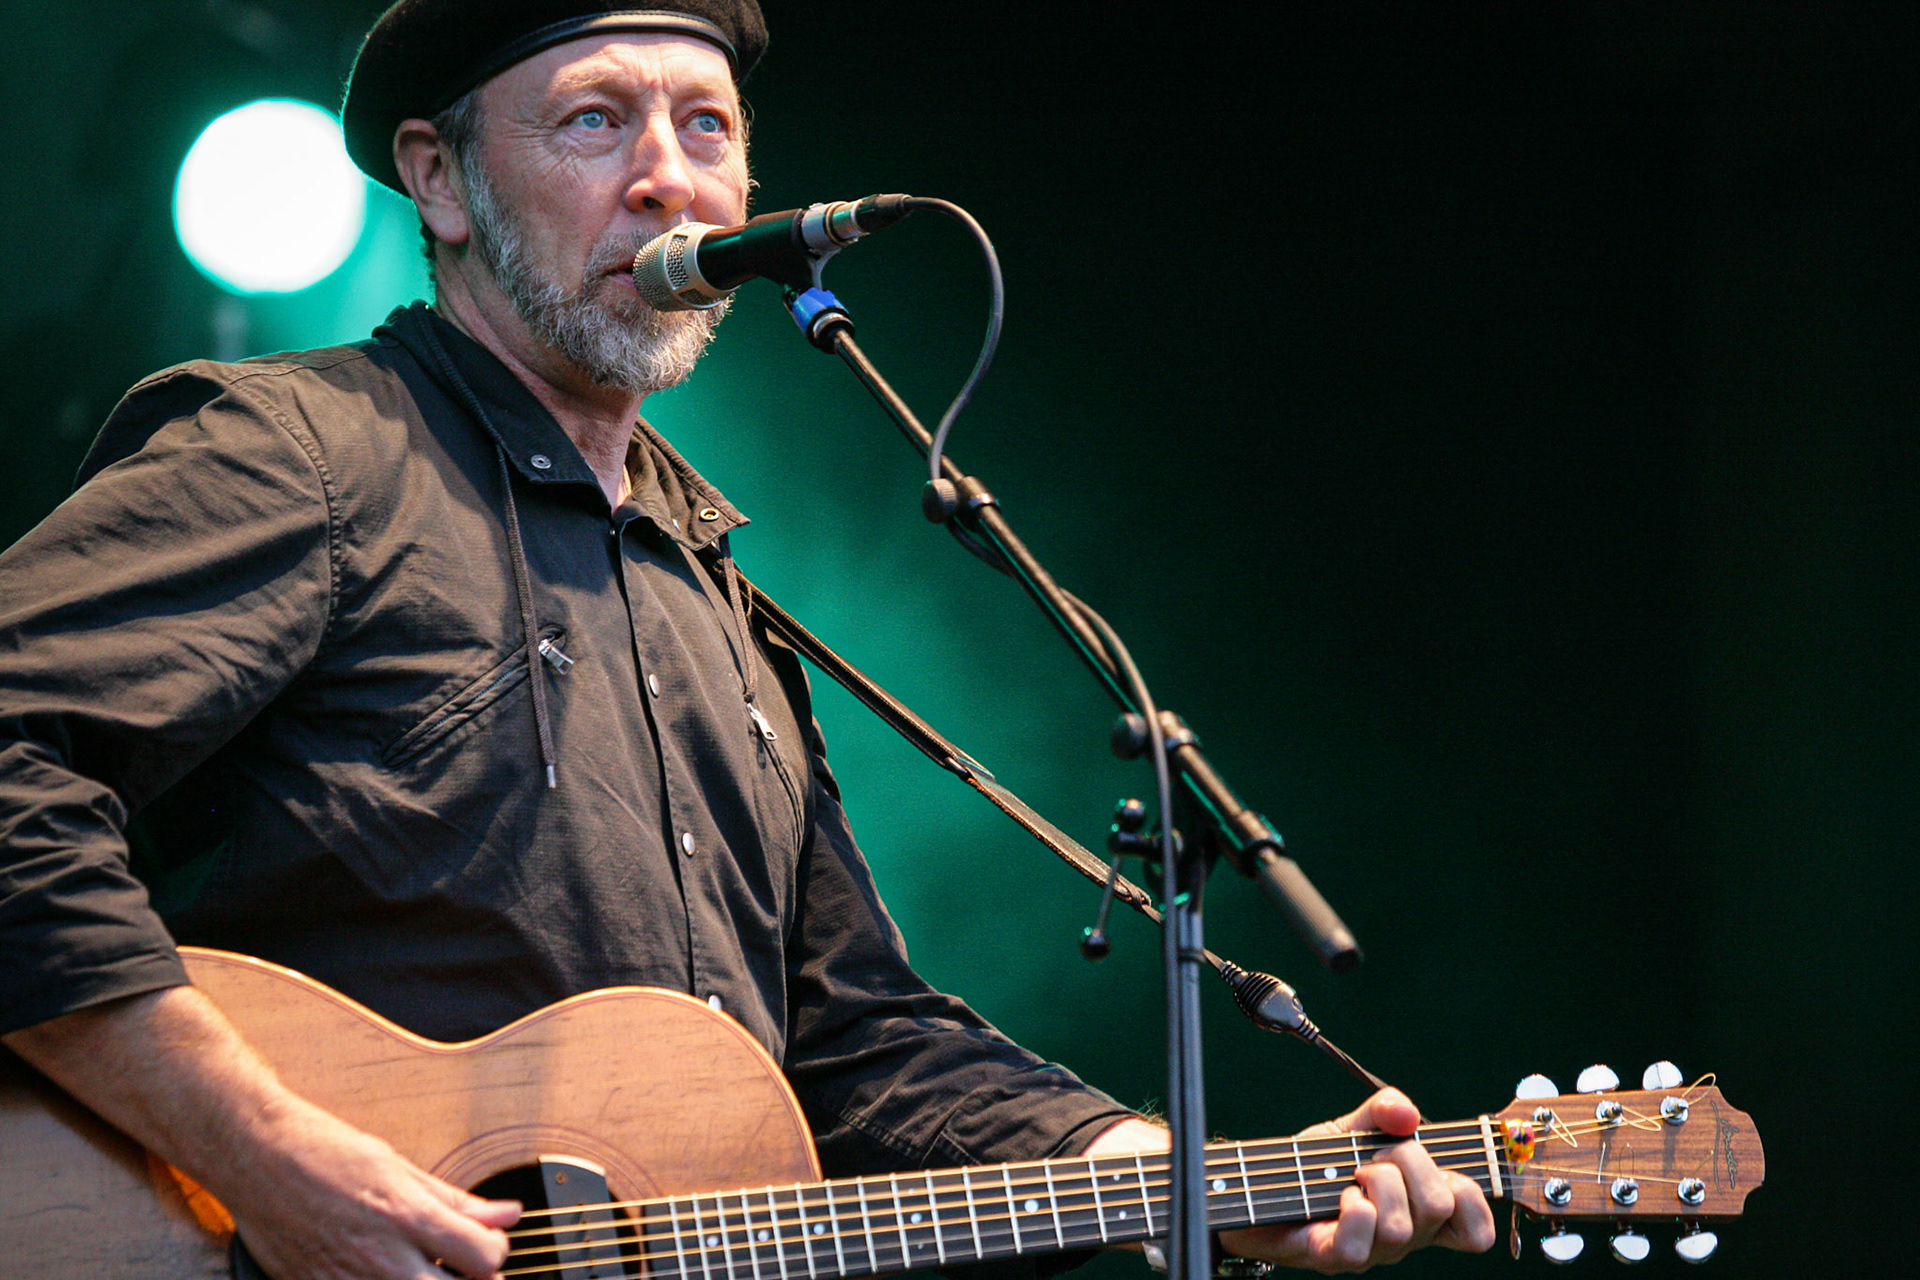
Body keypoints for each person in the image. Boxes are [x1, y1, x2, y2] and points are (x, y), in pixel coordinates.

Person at [0, 3, 1494, 1276]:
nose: (668, 183)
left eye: (706, 129)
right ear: (438, 179)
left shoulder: (710, 588)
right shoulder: (308, 451)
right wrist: (265, 1158)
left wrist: (1195, 1188)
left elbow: (857, 1038)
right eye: (596, 122)